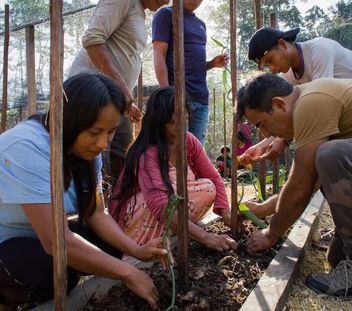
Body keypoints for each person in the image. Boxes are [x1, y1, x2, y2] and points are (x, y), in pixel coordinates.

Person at [0, 74, 167, 310]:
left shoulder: (86, 153)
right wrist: (128, 273)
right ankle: (2, 298)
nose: (103, 143)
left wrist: (136, 250)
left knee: (109, 246)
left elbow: (97, 214)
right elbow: (56, 241)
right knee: (54, 272)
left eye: (110, 132)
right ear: (70, 121)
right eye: (94, 132)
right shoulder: (27, 149)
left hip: (26, 235)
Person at [237, 73, 352, 301]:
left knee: (332, 155)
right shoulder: (310, 102)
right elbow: (310, 182)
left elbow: (302, 183)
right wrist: (264, 209)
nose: (267, 135)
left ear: (278, 104)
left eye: (261, 124)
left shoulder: (311, 101)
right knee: (339, 258)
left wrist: (271, 233)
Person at [240, 27, 352, 166]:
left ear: (282, 44)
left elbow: (319, 108)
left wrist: (282, 140)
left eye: (270, 60)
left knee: (326, 156)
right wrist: (263, 145)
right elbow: (284, 115)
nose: (272, 69)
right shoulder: (288, 76)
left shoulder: (319, 50)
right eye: (267, 66)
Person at [108, 87, 237, 252]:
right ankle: (140, 248)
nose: (181, 128)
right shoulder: (148, 153)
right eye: (173, 123)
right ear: (158, 123)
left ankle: (177, 229)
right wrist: (206, 237)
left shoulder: (189, 141)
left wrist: (226, 214)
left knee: (208, 187)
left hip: (167, 212)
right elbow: (160, 207)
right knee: (159, 201)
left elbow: (215, 178)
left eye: (185, 119)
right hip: (137, 217)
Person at [69, 0, 169, 181]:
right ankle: (93, 203)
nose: (167, 1)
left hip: (113, 99)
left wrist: (127, 104)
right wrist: (122, 87)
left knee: (123, 154)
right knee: (97, 157)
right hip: (92, 94)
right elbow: (93, 39)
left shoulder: (138, 11)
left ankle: (118, 205)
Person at [152, 0, 228, 145]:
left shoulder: (201, 24)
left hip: (201, 99)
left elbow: (193, 66)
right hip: (178, 97)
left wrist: (212, 64)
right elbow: (159, 54)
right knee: (174, 151)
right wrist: (167, 93)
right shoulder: (165, 15)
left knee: (196, 152)